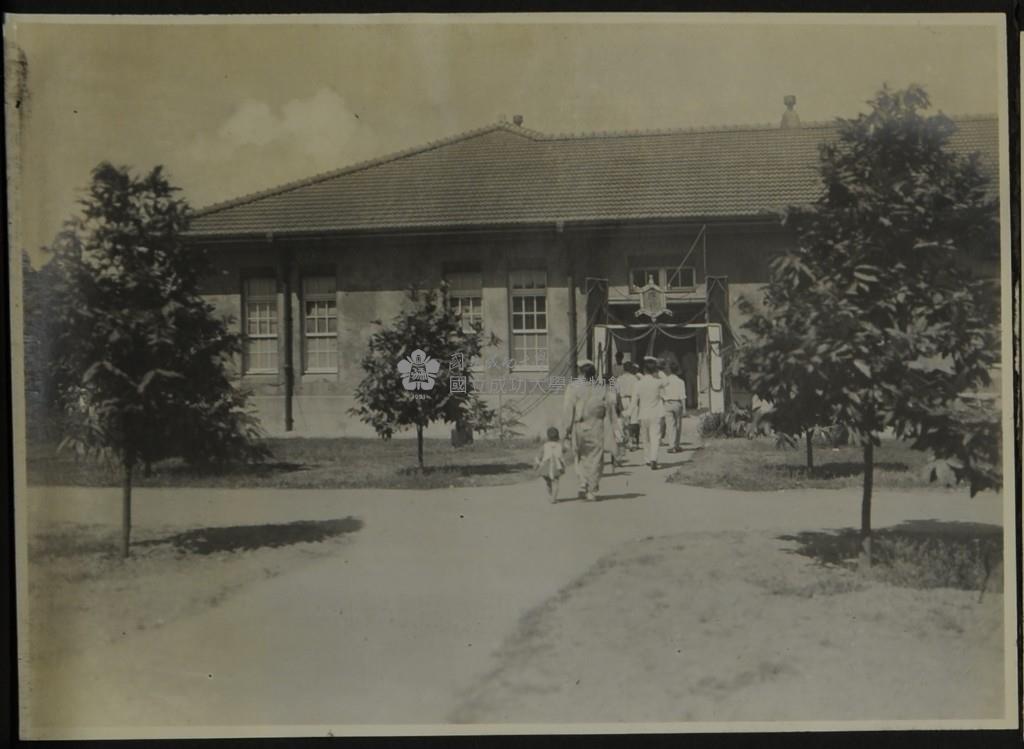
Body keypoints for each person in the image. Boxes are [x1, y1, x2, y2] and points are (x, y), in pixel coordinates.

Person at [563, 359, 618, 500]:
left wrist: (566, 430)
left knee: (579, 455)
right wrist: (614, 427)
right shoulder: (601, 387)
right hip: (596, 426)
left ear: (580, 371)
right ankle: (591, 489)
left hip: (579, 426)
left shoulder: (573, 387)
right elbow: (610, 408)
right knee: (595, 457)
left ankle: (583, 482)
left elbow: (568, 410)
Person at [630, 356, 667, 469]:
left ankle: (647, 459)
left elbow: (634, 401)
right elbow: (667, 382)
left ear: (644, 370)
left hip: (643, 413)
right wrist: (659, 371)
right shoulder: (658, 382)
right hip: (656, 413)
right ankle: (653, 459)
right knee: (655, 437)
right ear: (654, 370)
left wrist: (629, 412)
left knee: (645, 438)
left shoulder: (638, 384)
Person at [535, 426, 566, 504]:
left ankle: (550, 496)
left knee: (548, 483)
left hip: (546, 466)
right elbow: (563, 453)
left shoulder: (544, 446)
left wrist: (537, 465)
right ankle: (553, 498)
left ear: (548, 437)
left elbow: (539, 456)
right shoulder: (560, 445)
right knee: (555, 483)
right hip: (556, 466)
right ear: (558, 436)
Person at [663, 362, 687, 453]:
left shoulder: (665, 381)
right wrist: (684, 408)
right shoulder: (680, 381)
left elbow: (662, 393)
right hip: (677, 403)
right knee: (677, 425)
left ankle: (672, 445)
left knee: (670, 425)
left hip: (667, 403)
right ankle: (676, 445)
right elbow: (682, 396)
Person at [616, 361, 640, 451]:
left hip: (623, 399)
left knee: (625, 422)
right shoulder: (635, 378)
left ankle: (628, 441)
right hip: (632, 399)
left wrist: (619, 404)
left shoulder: (619, 379)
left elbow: (617, 393)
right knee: (634, 421)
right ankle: (633, 442)